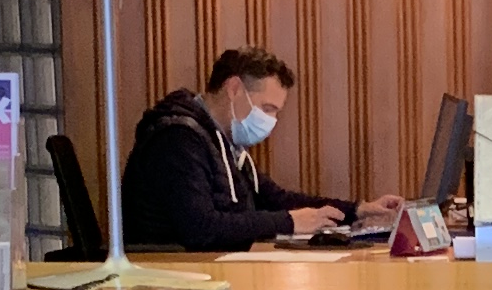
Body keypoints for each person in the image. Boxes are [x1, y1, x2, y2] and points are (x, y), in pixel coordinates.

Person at [123, 47, 390, 252]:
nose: (271, 121)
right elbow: (201, 228)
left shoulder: (225, 144)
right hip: (175, 272)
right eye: (267, 109)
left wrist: (358, 210)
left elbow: (275, 199)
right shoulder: (178, 140)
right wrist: (289, 222)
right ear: (234, 89)